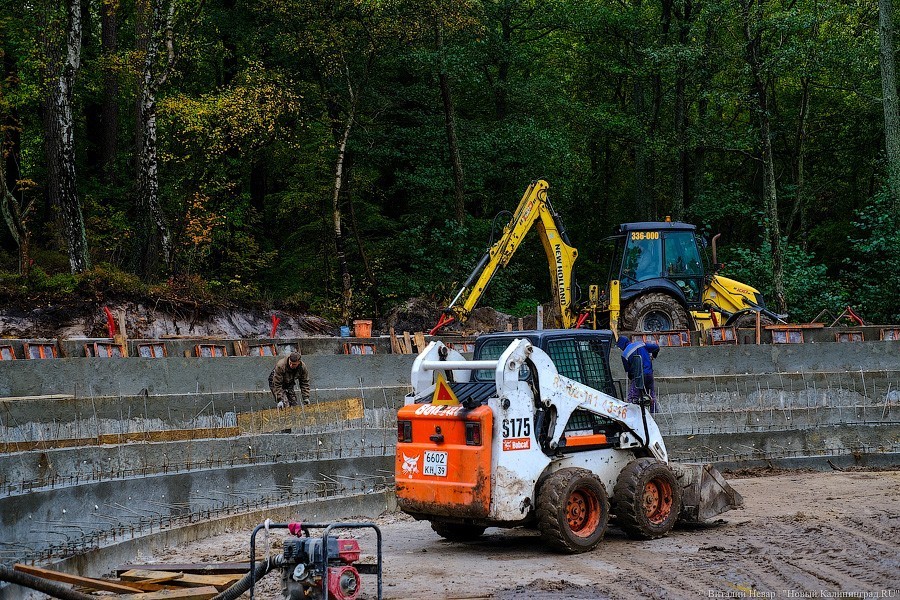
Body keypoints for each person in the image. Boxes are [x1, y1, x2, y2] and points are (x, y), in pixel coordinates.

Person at [616, 335, 660, 413]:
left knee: (633, 397)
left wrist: (633, 380)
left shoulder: (624, 355)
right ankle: (654, 413)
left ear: (622, 344)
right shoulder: (641, 344)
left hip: (638, 377)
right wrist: (654, 356)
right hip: (649, 374)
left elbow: (629, 372)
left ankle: (631, 414)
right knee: (651, 394)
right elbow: (656, 347)